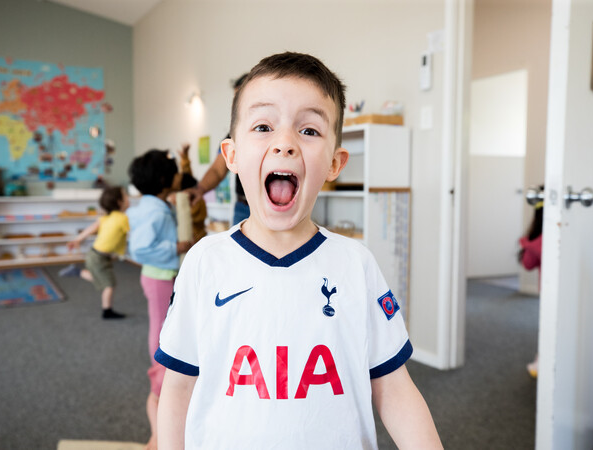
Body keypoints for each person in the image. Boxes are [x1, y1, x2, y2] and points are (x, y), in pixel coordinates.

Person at [154, 52, 442, 449]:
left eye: (308, 130)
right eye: (263, 126)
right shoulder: (205, 262)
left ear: (334, 164)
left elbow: (393, 388)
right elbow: (180, 385)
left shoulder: (355, 265)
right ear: (232, 155)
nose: (285, 143)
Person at [126, 149, 193, 450]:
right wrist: (175, 245)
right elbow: (139, 249)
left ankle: (163, 365)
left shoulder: (151, 204)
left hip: (161, 275)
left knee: (165, 322)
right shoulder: (154, 210)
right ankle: (160, 368)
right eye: (174, 171)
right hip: (159, 274)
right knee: (163, 324)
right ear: (165, 179)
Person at [186, 74, 250, 225]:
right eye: (235, 99)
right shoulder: (233, 135)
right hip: (243, 208)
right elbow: (217, 170)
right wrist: (200, 190)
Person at [60, 186, 129, 319]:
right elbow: (132, 234)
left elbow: (92, 227)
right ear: (120, 202)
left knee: (102, 280)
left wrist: (77, 239)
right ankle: (107, 311)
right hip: (98, 257)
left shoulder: (106, 217)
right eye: (125, 195)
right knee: (109, 285)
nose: (128, 198)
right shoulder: (122, 218)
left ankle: (77, 272)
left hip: (96, 255)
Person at [519, 194, 543, 378]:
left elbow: (529, 261)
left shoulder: (540, 240)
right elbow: (528, 263)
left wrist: (526, 242)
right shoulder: (539, 238)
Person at [172, 143, 207, 242]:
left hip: (195, 240)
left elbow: (186, 214)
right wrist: (185, 156)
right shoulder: (188, 185)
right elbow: (186, 172)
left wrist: (175, 202)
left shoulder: (196, 202)